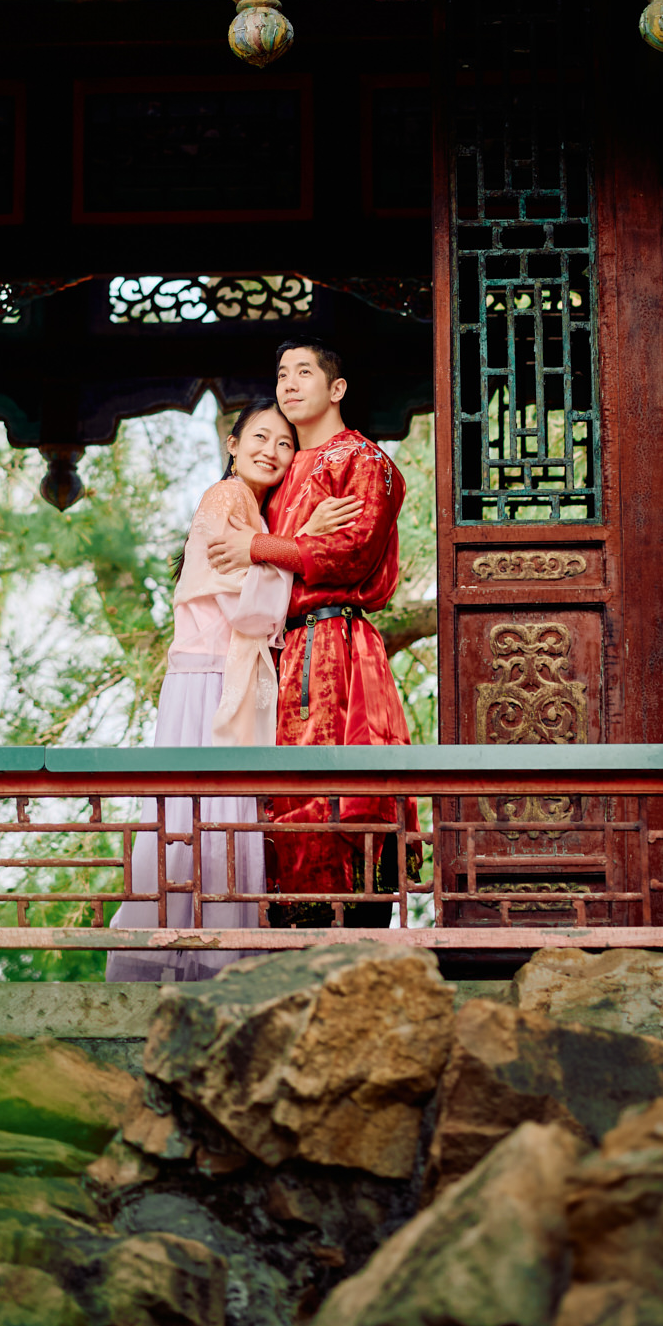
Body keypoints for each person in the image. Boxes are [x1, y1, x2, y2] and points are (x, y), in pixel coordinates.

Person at [106, 397, 361, 981]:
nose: (272, 451)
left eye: (285, 443)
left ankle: (202, 948)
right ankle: (206, 954)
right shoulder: (226, 497)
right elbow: (240, 599)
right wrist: (301, 541)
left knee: (212, 809)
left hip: (223, 672)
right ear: (232, 444)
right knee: (208, 807)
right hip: (210, 677)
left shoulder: (252, 507)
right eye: (260, 438)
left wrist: (281, 543)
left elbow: (249, 574)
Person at [207, 340, 419, 921]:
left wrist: (262, 544)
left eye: (305, 372)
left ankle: (349, 920)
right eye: (281, 374)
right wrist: (293, 535)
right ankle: (287, 922)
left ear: (337, 388)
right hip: (281, 646)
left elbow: (351, 551)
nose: (290, 384)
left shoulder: (364, 459)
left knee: (334, 782)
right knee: (283, 789)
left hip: (336, 644)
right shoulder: (280, 472)